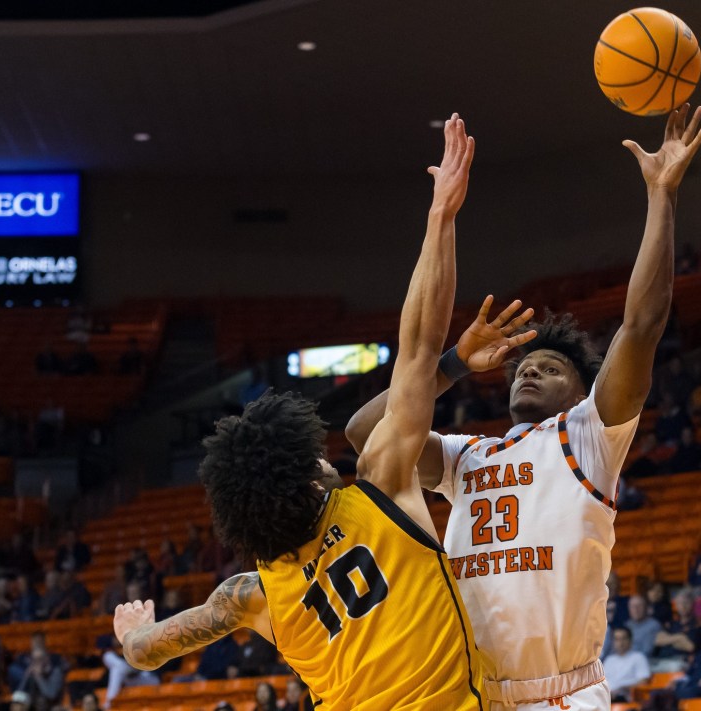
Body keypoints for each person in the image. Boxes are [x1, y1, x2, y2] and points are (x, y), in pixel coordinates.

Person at [113, 115, 488, 710]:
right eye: (315, 452)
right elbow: (416, 348)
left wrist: (132, 632)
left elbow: (147, 652)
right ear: (306, 473)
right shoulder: (380, 490)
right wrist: (440, 216)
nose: (325, 453)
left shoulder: (251, 594)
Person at [346, 105, 701, 710]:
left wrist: (662, 195)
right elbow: (365, 431)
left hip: (564, 695)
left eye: (550, 367)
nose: (530, 370)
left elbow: (643, 323)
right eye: (522, 368)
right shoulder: (469, 457)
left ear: (580, 389)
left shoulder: (589, 434)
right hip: (473, 697)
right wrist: (453, 364)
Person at [602, 627, 650, 703]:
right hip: (607, 697)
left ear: (630, 640)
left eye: (624, 638)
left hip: (627, 697)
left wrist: (623, 689)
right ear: (613, 642)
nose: (621, 642)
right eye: (617, 639)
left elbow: (643, 682)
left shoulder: (639, 657)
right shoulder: (609, 660)